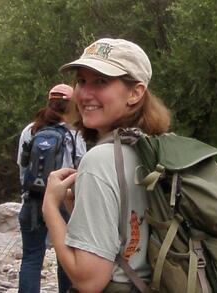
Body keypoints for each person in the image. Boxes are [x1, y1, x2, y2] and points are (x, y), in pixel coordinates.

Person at [42, 38, 170, 291]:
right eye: (81, 81)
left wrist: (50, 208)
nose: (85, 93)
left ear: (135, 93)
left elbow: (89, 280)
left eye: (101, 81)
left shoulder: (99, 161)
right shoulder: (156, 147)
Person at [16, 83, 86, 293]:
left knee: (31, 258)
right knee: (66, 258)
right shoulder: (74, 133)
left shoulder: (30, 130)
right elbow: (80, 169)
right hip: (63, 202)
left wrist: (26, 196)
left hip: (33, 201)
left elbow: (22, 167)